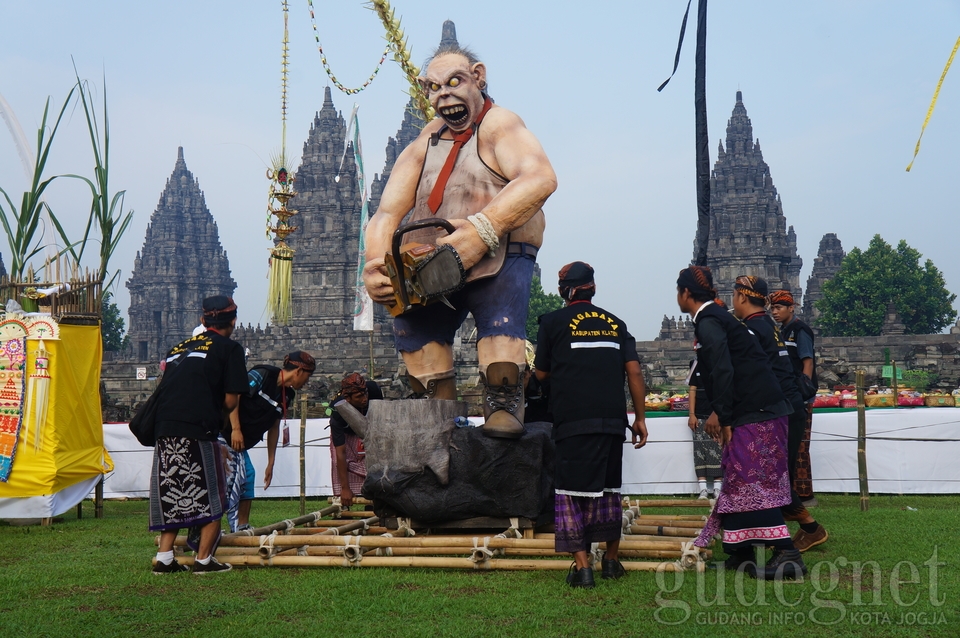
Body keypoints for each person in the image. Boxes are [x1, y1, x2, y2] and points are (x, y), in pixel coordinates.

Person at [362, 41, 557, 439]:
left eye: (454, 82)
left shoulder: (499, 124)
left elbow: (539, 178)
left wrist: (484, 228)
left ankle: (503, 403)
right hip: (427, 261)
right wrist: (376, 264)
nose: (443, 95)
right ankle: (435, 410)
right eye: (433, 88)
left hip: (496, 251)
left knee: (500, 322)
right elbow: (386, 213)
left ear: (479, 77)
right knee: (416, 332)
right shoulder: (426, 141)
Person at [677, 266, 806, 580]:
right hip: (758, 407)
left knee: (753, 482)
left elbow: (722, 369)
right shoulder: (717, 319)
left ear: (684, 294)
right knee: (737, 480)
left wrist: (724, 416)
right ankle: (741, 552)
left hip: (758, 410)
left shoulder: (709, 321)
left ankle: (788, 554)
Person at [534, 262, 647, 588]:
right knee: (609, 490)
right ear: (591, 288)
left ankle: (583, 568)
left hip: (573, 421)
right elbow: (635, 373)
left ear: (564, 290)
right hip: (612, 421)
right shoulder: (616, 324)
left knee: (571, 492)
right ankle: (611, 562)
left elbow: (541, 374)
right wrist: (638, 418)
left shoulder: (553, 323)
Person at [148, 295, 248, 575]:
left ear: (203, 321)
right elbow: (230, 401)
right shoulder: (229, 349)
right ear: (233, 321)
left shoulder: (177, 348)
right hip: (197, 428)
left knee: (172, 488)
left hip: (164, 428)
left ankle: (164, 557)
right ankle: (204, 560)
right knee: (213, 492)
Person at [733, 277, 828, 553]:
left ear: (741, 297)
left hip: (785, 409)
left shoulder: (757, 330)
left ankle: (806, 531)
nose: (776, 310)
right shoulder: (770, 328)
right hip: (786, 407)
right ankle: (763, 535)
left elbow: (755, 375)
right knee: (773, 476)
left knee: (773, 477)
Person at [223, 351, 316, 532]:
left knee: (248, 476)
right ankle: (223, 528)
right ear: (297, 371)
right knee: (230, 479)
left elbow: (274, 426)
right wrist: (235, 429)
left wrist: (271, 461)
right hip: (224, 433)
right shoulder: (262, 374)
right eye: (307, 376)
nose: (306, 382)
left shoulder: (287, 395)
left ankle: (243, 526)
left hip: (241, 443)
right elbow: (235, 396)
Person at [769, 289, 819, 509]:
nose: (774, 312)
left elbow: (807, 362)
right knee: (788, 445)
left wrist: (803, 390)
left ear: (792, 307)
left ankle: (804, 494)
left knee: (799, 446)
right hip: (788, 395)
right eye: (772, 308)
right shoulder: (782, 331)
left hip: (799, 396)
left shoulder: (800, 330)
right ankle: (789, 492)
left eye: (779, 307)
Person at [328, 373, 383, 507]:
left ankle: (372, 505)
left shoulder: (374, 392)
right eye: (359, 397)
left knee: (375, 466)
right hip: (347, 438)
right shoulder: (337, 411)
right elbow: (340, 453)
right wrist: (345, 488)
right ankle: (344, 511)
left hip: (371, 433)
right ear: (347, 398)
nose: (364, 399)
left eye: (365, 394)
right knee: (339, 462)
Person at [687, 363, 722, 499]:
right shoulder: (697, 365)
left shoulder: (721, 364)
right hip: (699, 416)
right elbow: (692, 389)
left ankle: (717, 488)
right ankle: (703, 489)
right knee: (699, 452)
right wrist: (692, 414)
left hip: (717, 416)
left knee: (718, 450)